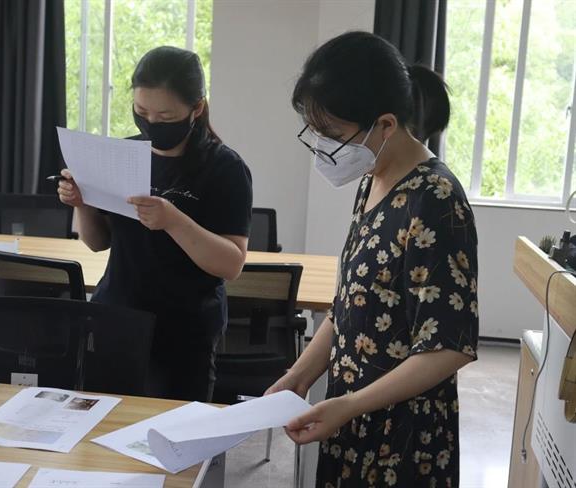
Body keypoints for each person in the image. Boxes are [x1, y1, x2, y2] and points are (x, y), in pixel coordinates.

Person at [266, 31, 479, 487]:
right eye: (316, 133)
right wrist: (298, 376)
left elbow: (448, 346)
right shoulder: (372, 179)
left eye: (333, 135)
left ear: (385, 124)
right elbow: (350, 305)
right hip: (350, 421)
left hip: (402, 439)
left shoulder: (435, 198)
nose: (323, 147)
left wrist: (349, 405)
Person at [58, 46, 253, 402]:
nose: (151, 123)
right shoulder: (122, 154)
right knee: (105, 423)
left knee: (174, 428)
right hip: (117, 316)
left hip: (183, 330)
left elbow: (231, 263)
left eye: (165, 116)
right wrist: (82, 204)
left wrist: (173, 220)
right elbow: (97, 242)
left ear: (196, 108)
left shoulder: (224, 168)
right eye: (141, 111)